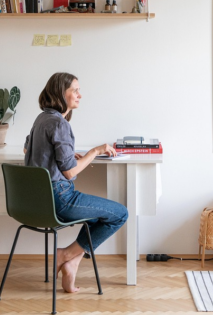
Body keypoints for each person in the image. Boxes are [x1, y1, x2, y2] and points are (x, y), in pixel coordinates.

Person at [23, 72, 128, 293]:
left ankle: (72, 263)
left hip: (35, 200)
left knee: (97, 215)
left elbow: (28, 148)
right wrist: (96, 151)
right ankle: (66, 255)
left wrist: (69, 155)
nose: (80, 95)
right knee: (119, 214)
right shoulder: (60, 124)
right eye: (75, 90)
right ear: (61, 94)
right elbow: (69, 174)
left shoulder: (41, 119)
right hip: (59, 199)